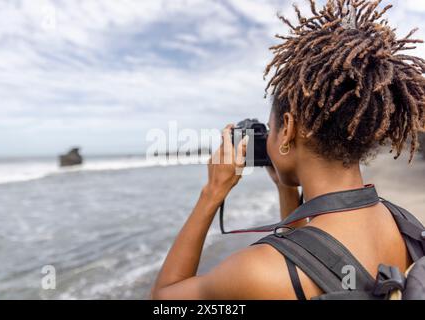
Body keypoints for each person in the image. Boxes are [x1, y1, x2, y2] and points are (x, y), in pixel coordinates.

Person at [151, 0, 425, 300]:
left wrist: (212, 193)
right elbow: (314, 251)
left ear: (288, 128)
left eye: (273, 129)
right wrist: (286, 187)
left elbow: (165, 299)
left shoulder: (259, 274)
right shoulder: (404, 224)